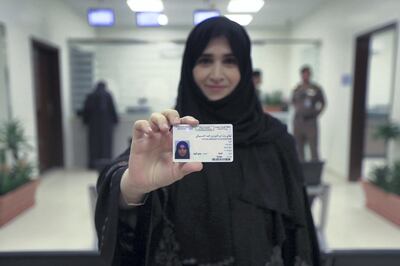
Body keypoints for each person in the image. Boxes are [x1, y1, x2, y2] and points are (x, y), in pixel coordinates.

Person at [95, 17, 320, 266]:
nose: (216, 74)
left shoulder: (275, 139)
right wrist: (134, 187)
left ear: (244, 68)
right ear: (189, 67)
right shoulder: (168, 134)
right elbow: (123, 180)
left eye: (229, 61)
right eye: (205, 60)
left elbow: (299, 233)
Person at [291, 66, 326, 162]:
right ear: (301, 75)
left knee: (313, 147)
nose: (305, 76)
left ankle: (314, 174)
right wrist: (298, 109)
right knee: (298, 148)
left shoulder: (316, 88)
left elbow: (323, 103)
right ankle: (300, 172)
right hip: (298, 122)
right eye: (304, 74)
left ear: (310, 75)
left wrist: (316, 113)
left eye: (307, 74)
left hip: (311, 122)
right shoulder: (297, 89)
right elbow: (293, 101)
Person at [83, 81, 118, 170]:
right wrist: (115, 121)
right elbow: (112, 110)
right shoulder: (108, 95)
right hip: (106, 125)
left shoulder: (91, 95)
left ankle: (93, 164)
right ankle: (107, 164)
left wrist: (86, 121)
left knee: (93, 145)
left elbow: (86, 112)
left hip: (93, 125)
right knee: (106, 144)